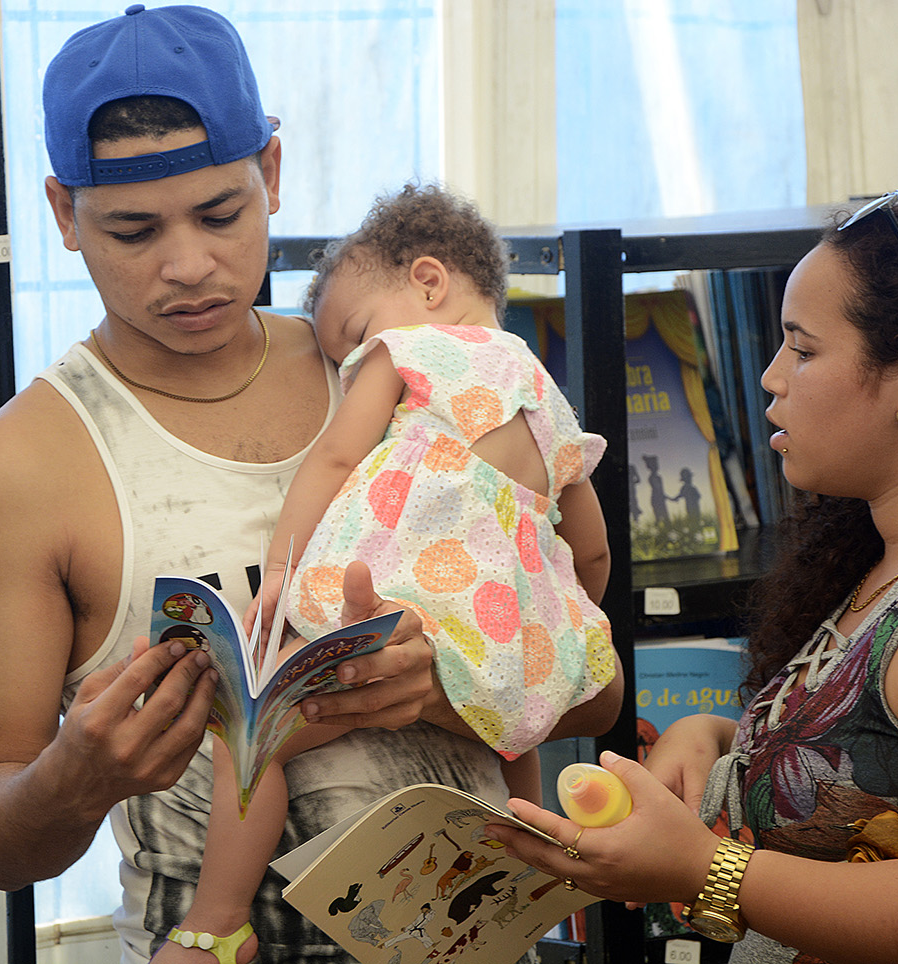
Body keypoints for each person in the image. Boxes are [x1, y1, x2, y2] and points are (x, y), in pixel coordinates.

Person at [0, 7, 622, 964]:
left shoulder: (398, 370)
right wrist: (73, 779)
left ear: (274, 176)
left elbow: (591, 693)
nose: (189, 266)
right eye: (132, 229)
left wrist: (439, 687)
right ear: (61, 215)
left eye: (220, 214)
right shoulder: (17, 474)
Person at [487, 193, 898, 964]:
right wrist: (710, 740)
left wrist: (702, 869)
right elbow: (875, 759)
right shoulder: (891, 555)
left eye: (803, 350)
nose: (770, 377)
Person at [191, 183, 618, 961]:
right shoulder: (547, 399)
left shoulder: (411, 349)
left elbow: (336, 455)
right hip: (501, 633)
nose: (349, 363)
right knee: (508, 757)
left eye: (353, 334)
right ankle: (505, 923)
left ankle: (215, 927)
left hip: (398, 604)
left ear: (427, 282)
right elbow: (588, 548)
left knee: (254, 731)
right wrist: (557, 621)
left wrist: (283, 565)